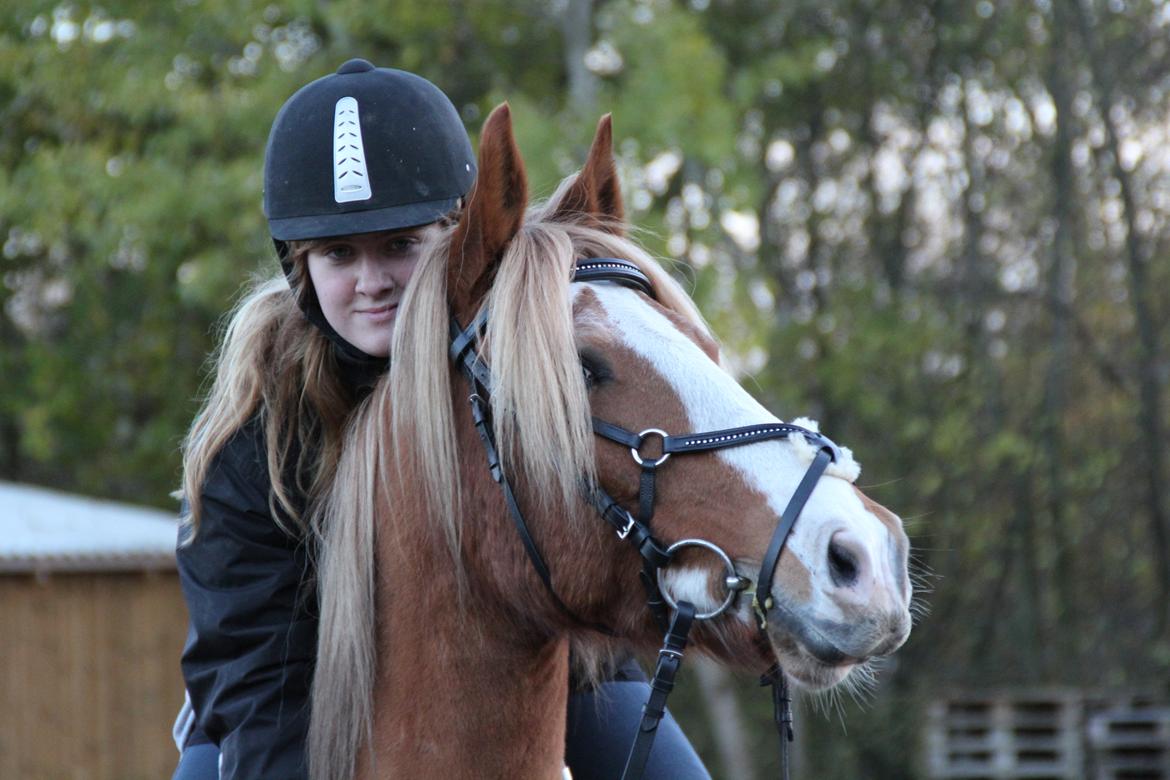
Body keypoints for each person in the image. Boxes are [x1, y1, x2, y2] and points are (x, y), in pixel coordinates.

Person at [172, 58, 710, 779]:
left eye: (401, 245)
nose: (372, 282)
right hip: (281, 699)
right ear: (299, 265)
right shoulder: (254, 444)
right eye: (338, 253)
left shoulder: (518, 378)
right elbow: (252, 659)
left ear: (459, 239)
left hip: (558, 674)